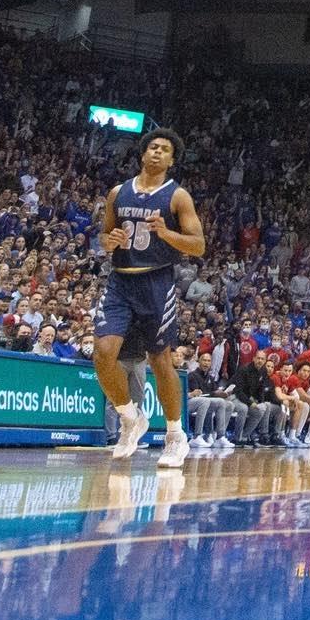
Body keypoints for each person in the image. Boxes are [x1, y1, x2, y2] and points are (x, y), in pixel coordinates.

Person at [94, 127, 205, 470]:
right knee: (102, 353)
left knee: (160, 361)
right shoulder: (118, 192)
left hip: (157, 283)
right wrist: (109, 241)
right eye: (153, 147)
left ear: (172, 160)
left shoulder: (178, 197)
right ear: (143, 154)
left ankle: (175, 435)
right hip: (120, 282)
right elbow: (104, 238)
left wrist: (165, 233)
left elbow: (198, 245)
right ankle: (131, 418)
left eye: (165, 150)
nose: (157, 152)